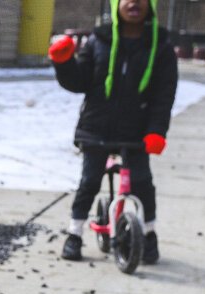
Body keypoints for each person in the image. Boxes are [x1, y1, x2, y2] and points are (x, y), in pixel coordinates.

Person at [49, 0, 178, 264]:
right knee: (89, 181)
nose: (134, 3)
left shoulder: (161, 46)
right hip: (97, 128)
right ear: (117, 4)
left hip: (137, 132)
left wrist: (156, 131)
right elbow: (79, 81)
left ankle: (149, 234)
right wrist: (64, 63)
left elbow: (164, 95)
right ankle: (74, 234)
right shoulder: (99, 40)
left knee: (142, 182)